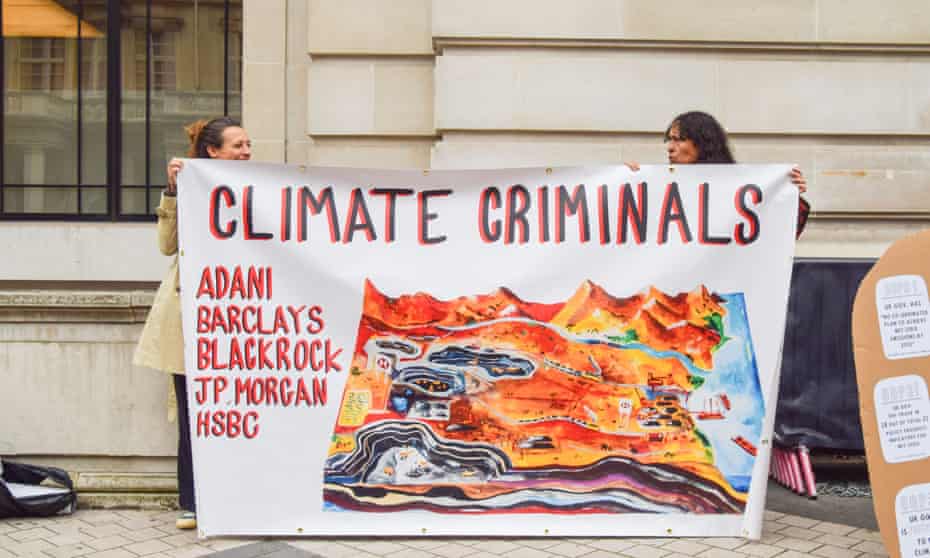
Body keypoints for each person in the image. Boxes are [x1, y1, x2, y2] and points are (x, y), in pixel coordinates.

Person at [133, 117, 251, 530]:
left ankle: (240, 497)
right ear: (213, 152)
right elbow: (167, 245)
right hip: (192, 321)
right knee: (193, 413)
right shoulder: (190, 188)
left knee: (242, 412)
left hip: (242, 323)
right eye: (238, 145)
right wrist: (173, 191)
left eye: (248, 144)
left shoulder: (261, 190)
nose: (246, 151)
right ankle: (193, 502)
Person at [628, 110, 810, 237]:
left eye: (678, 140)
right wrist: (627, 182)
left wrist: (787, 195)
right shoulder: (664, 186)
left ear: (702, 143)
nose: (670, 148)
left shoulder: (739, 191)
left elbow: (776, 235)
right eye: (670, 140)